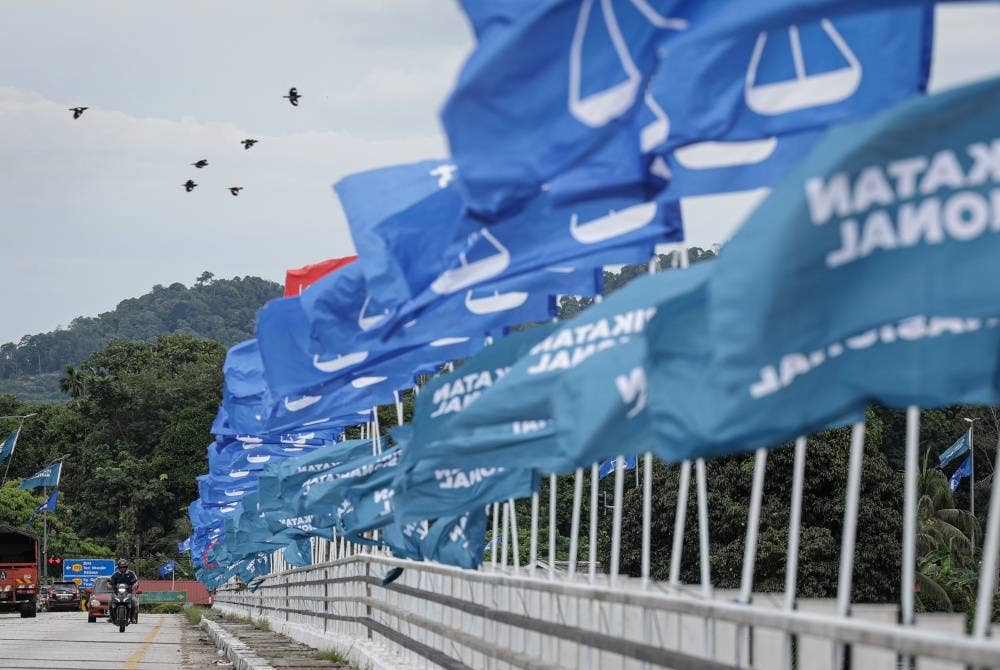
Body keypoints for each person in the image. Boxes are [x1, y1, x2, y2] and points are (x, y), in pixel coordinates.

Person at [108, 559, 139, 624]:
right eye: (121, 567)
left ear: (126, 567)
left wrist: (135, 585)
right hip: (117, 593)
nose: (122, 568)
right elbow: (110, 582)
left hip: (129, 593)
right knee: (110, 601)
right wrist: (109, 585)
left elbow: (136, 581)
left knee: (134, 601)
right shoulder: (115, 574)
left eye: (124, 567)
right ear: (118, 567)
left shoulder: (131, 574)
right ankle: (111, 616)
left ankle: (132, 617)